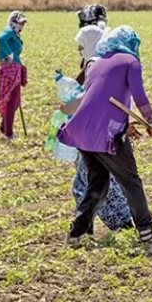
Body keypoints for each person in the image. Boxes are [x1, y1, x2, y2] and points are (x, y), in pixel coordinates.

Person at [57, 26, 152, 255]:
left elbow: (95, 101)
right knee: (131, 183)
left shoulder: (98, 63)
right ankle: (149, 237)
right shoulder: (131, 62)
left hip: (82, 131)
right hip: (106, 135)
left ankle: (77, 232)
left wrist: (128, 123)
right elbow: (139, 96)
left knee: (98, 182)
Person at [57, 24, 135, 233]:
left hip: (102, 137)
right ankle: (90, 227)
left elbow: (92, 99)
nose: (79, 51)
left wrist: (68, 106)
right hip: (99, 135)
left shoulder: (99, 65)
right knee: (93, 184)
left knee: (95, 185)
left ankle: (118, 225)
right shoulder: (101, 63)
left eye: (82, 46)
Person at [0, 11, 28, 140]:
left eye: (23, 23)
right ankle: (8, 133)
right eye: (19, 23)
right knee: (11, 101)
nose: (21, 26)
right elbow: (0, 39)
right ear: (13, 22)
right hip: (10, 70)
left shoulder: (14, 34)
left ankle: (3, 129)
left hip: (15, 69)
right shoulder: (8, 31)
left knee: (13, 101)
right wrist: (10, 55)